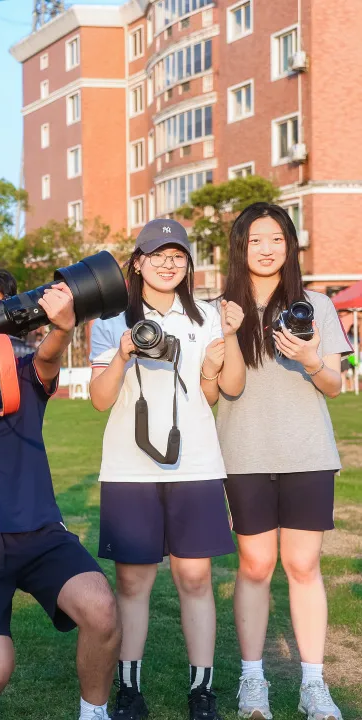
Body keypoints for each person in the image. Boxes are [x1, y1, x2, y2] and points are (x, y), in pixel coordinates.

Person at [0, 263, 121, 720]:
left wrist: (62, 327)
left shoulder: (25, 370)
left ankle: (93, 713)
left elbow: (48, 358)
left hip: (39, 532)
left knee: (102, 609)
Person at [88, 220, 245, 720]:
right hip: (129, 470)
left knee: (195, 580)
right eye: (157, 255)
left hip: (195, 464)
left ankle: (202, 692)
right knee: (133, 585)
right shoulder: (112, 320)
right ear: (137, 263)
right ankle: (129, 691)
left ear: (188, 264)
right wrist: (123, 353)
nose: (168, 264)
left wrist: (224, 347)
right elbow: (99, 399)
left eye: (177, 255)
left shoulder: (207, 316)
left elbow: (221, 391)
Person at [216, 203, 352, 720]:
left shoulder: (315, 305)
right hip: (243, 453)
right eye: (255, 240)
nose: (267, 249)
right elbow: (216, 387)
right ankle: (253, 681)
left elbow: (334, 385)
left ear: (290, 245)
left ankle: (313, 684)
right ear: (240, 247)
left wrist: (311, 359)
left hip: (307, 453)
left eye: (276, 238)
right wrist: (227, 333)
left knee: (303, 565)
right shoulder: (221, 309)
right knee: (254, 566)